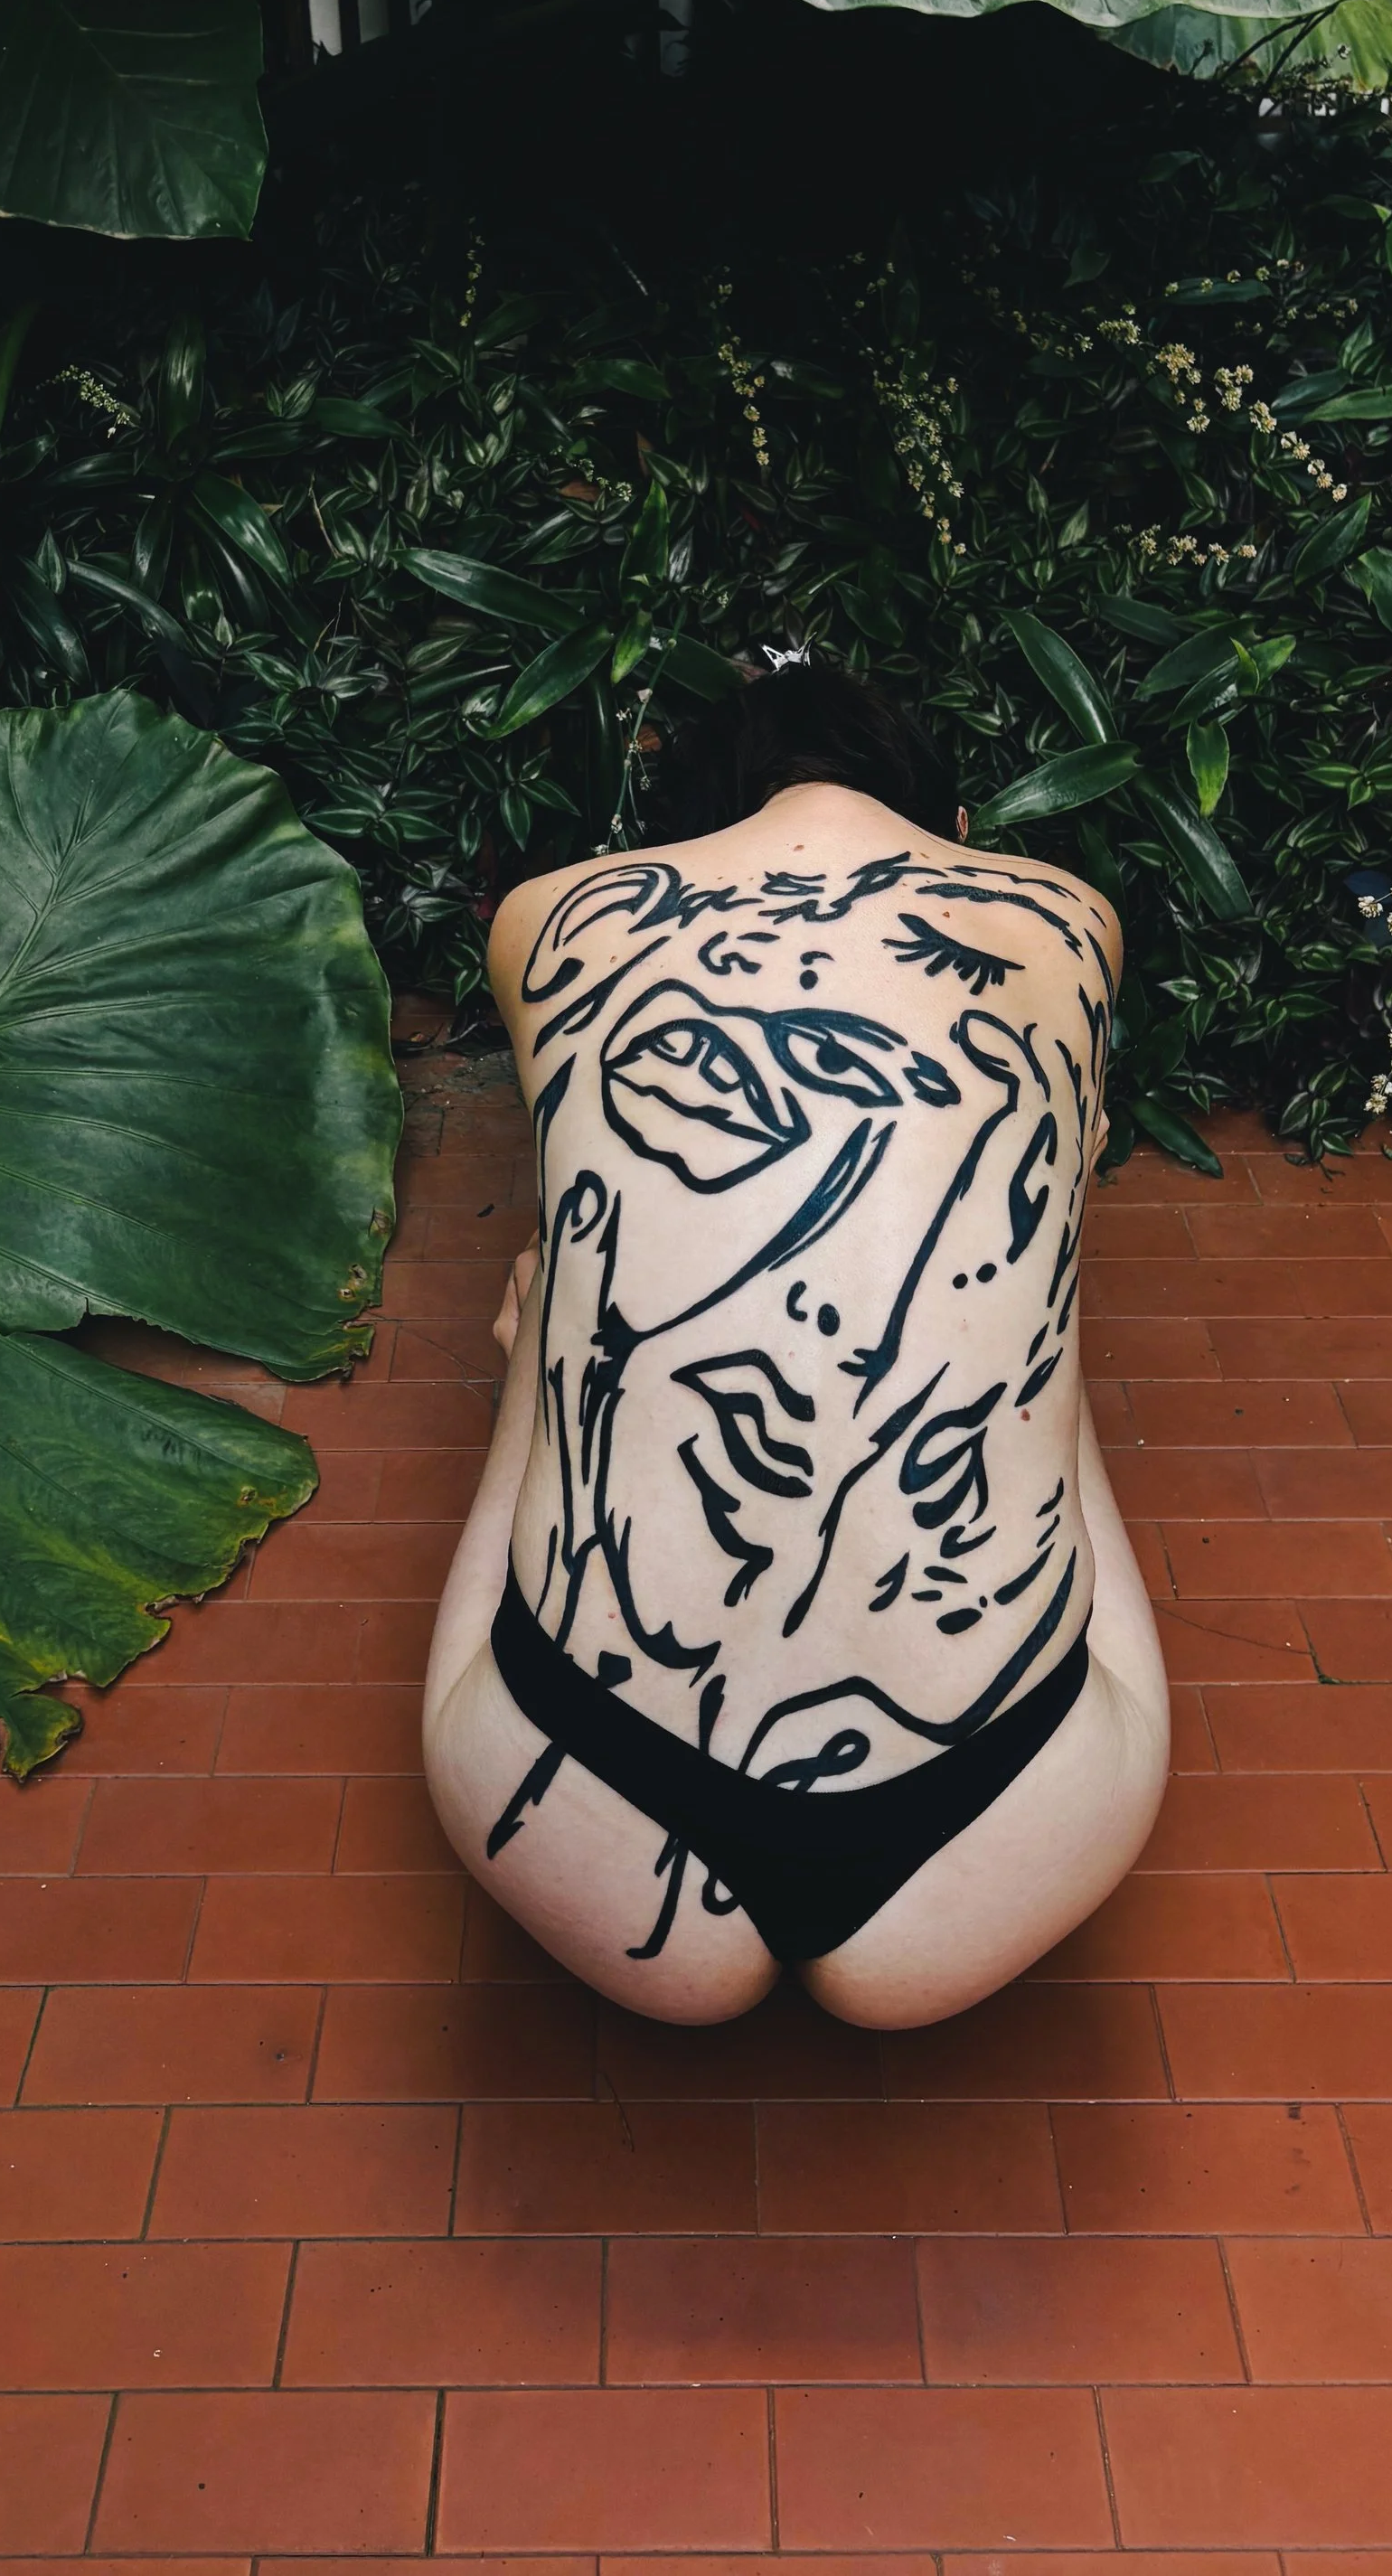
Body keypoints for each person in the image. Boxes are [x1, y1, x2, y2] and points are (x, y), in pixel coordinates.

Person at [422, 663, 1171, 2027]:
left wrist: (532, 1373)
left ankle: (528, 1396)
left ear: (692, 820)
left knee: (558, 1318)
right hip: (1012, 1816)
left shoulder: (551, 924)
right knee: (1032, 1304)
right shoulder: (1068, 921)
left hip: (571, 1793)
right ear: (939, 815)